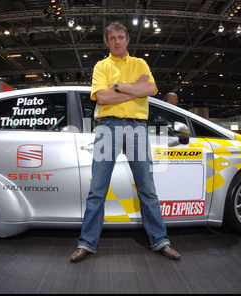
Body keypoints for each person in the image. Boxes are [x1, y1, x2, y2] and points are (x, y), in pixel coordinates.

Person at [70, 21, 180, 262]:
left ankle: (160, 240)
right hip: (106, 128)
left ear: (127, 40)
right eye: (112, 38)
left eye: (121, 37)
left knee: (147, 189)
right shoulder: (101, 66)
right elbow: (101, 97)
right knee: (97, 190)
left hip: (137, 127)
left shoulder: (140, 63)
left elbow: (150, 88)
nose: (117, 41)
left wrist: (118, 87)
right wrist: (134, 90)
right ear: (107, 42)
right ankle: (87, 243)